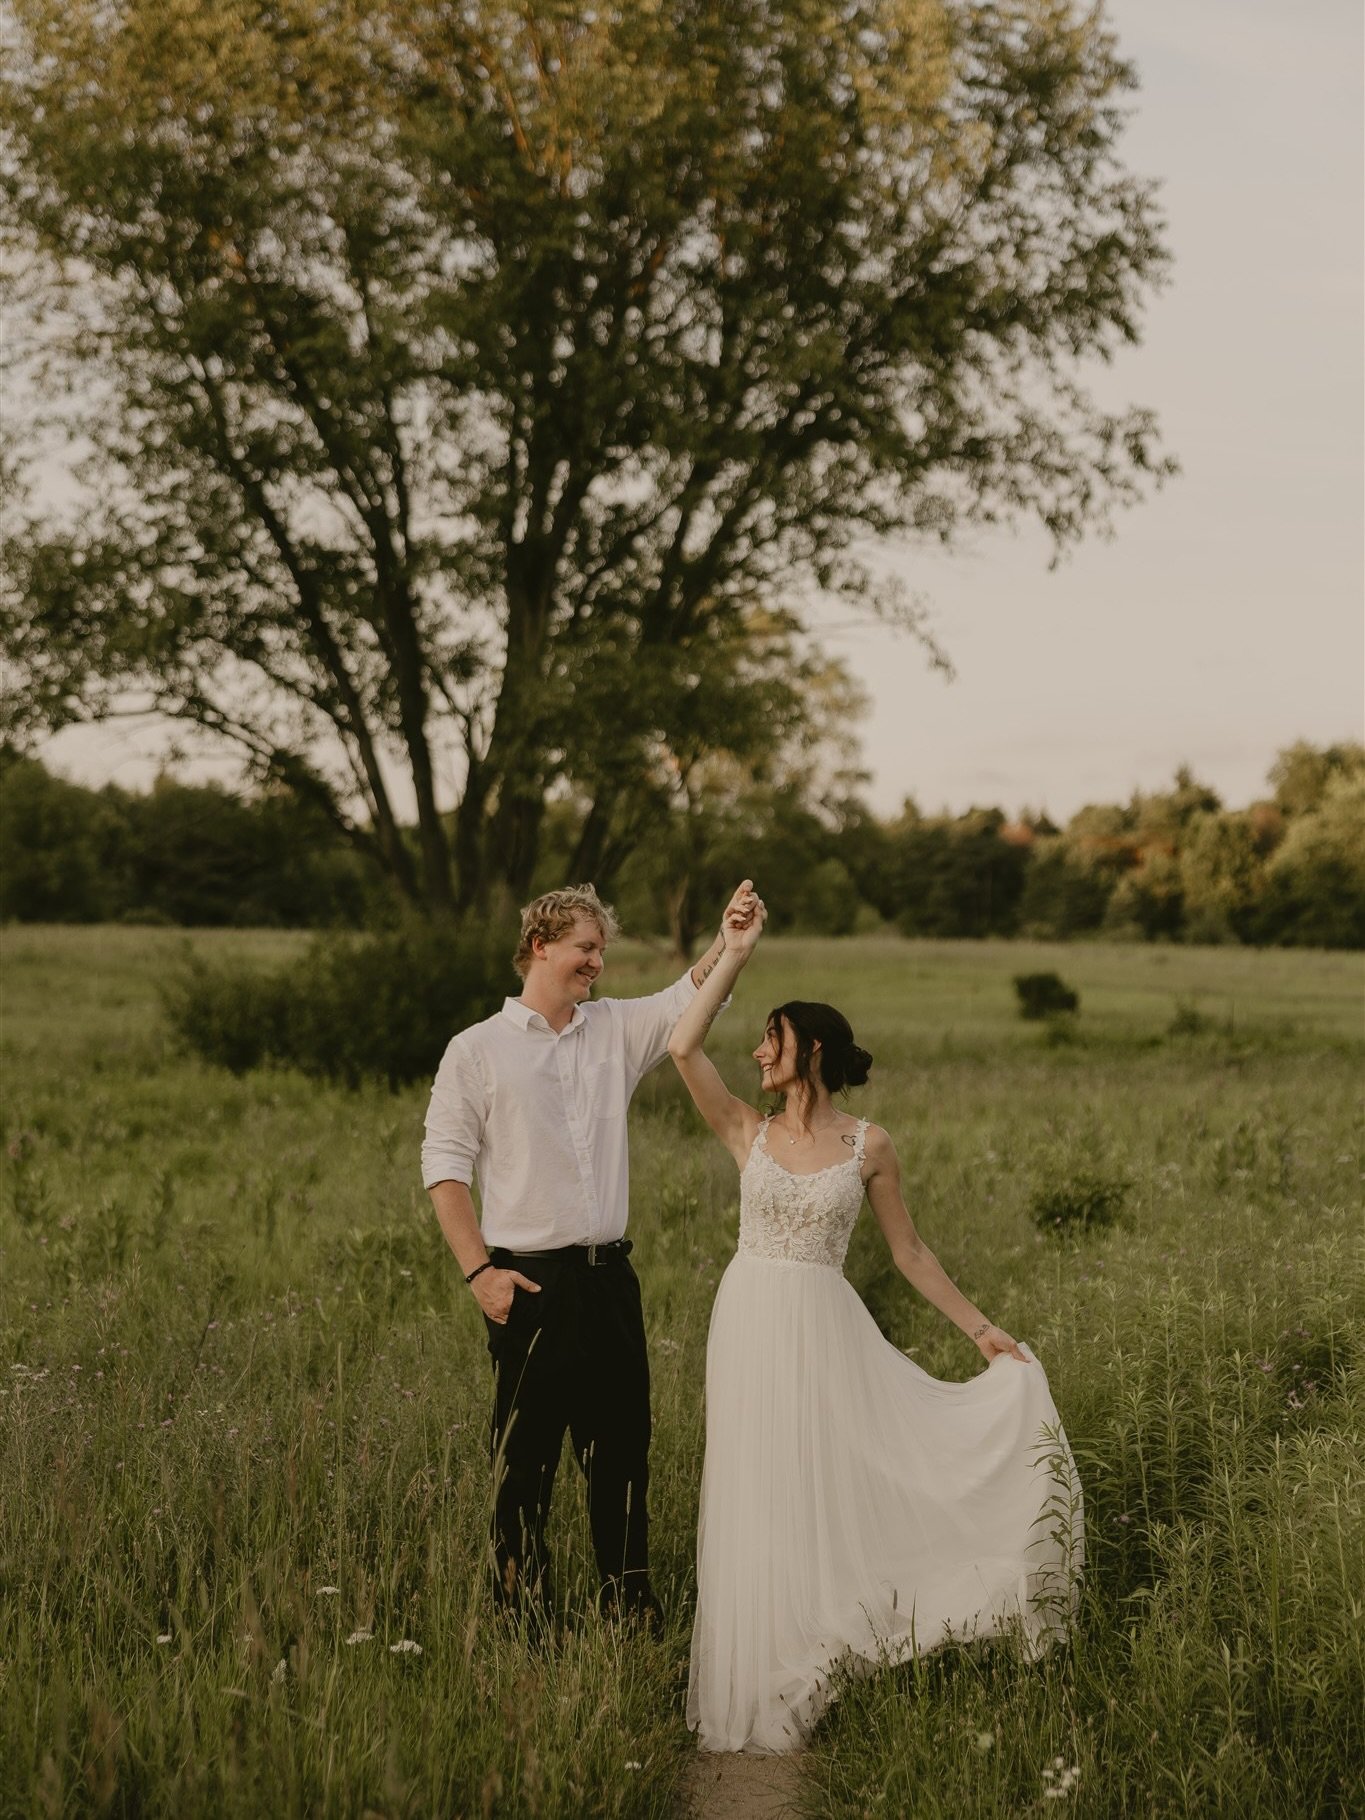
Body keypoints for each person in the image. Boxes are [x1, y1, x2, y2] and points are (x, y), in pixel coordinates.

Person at [667, 895, 1084, 1753]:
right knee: (754, 1487)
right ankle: (757, 1666)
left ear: (808, 1050)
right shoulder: (745, 1130)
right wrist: (732, 955)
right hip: (747, 1320)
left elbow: (911, 1253)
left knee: (822, 1481)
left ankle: (821, 1646)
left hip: (824, 1328)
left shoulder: (869, 1146)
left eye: (770, 1040)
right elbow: (681, 1045)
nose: (755, 1053)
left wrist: (982, 1332)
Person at [423, 879, 761, 1632]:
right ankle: (520, 1615)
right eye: (585, 948)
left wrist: (729, 945)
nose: (596, 963)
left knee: (623, 1454)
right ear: (540, 945)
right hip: (527, 1281)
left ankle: (629, 1606)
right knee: (524, 1466)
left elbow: (684, 999)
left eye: (601, 951)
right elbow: (443, 1168)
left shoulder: (612, 1030)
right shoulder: (475, 1050)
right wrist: (481, 1275)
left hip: (611, 1281)